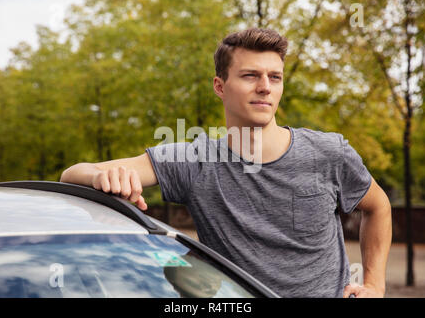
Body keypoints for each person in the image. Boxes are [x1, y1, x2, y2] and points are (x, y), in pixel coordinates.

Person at [60, 28, 392, 298]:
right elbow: (72, 174)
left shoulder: (328, 152)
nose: (264, 87)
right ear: (220, 86)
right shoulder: (195, 161)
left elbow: (378, 207)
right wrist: (106, 177)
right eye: (250, 76)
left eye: (274, 77)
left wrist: (375, 286)